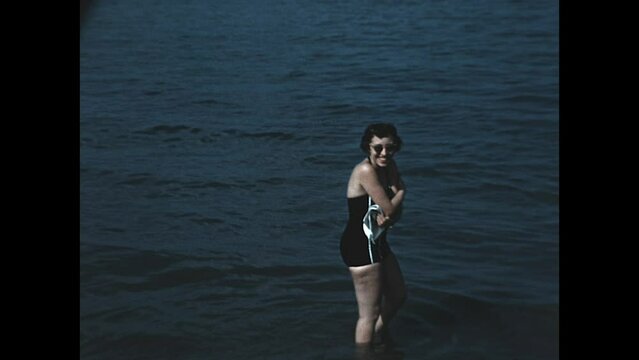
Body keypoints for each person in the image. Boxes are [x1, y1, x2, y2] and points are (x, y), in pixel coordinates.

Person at [340, 123, 407, 348]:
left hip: (378, 241)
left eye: (390, 147)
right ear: (367, 147)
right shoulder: (365, 171)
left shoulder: (389, 166)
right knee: (368, 313)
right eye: (378, 148)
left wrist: (392, 216)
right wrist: (403, 193)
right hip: (360, 245)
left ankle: (377, 337)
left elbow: (396, 215)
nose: (384, 153)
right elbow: (390, 208)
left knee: (398, 295)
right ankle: (364, 353)